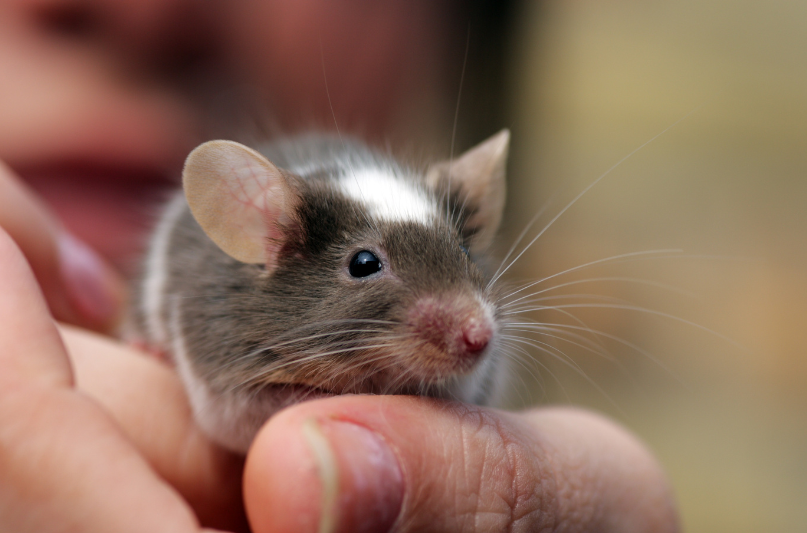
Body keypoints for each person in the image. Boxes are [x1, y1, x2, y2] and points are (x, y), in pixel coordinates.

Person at [0, 1, 678, 531]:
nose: (475, 329)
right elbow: (228, 410)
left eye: (460, 259)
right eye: (363, 264)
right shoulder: (233, 294)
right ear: (266, 242)